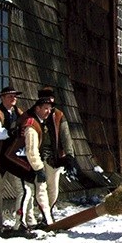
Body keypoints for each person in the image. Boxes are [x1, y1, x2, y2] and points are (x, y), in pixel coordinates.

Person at [0, 86, 31, 235]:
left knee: (21, 189)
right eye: (10, 96)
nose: (13, 99)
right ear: (2, 98)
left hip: (15, 156)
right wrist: (11, 132)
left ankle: (20, 222)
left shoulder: (20, 113)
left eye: (15, 96)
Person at [6, 96, 56, 228]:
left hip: (25, 161)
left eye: (50, 109)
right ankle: (19, 224)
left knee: (38, 189)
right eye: (45, 108)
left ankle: (46, 219)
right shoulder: (31, 125)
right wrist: (39, 169)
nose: (48, 112)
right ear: (37, 108)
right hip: (17, 160)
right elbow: (31, 150)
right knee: (25, 191)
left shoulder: (37, 122)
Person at [36, 87, 79, 217]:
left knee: (53, 186)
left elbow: (66, 136)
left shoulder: (59, 115)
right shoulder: (35, 113)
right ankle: (43, 214)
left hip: (54, 156)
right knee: (40, 186)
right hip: (38, 154)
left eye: (51, 98)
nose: (49, 101)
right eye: (46, 99)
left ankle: (49, 210)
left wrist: (70, 155)